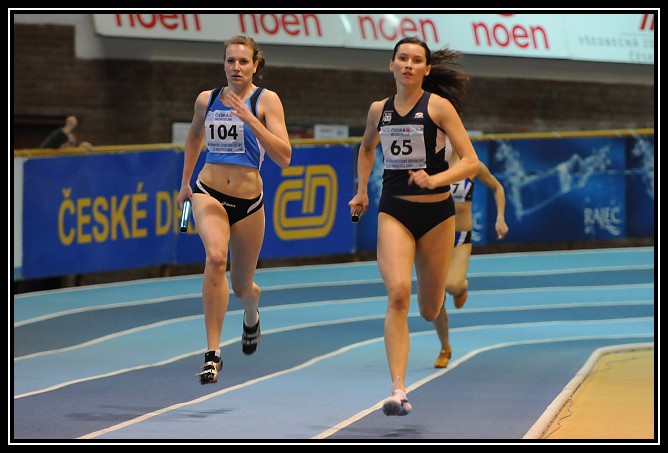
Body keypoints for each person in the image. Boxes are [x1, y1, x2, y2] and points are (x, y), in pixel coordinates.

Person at [348, 37, 479, 416]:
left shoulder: (439, 107)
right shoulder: (379, 110)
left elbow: (470, 161)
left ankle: (444, 295)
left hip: (437, 215)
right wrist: (362, 190)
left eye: (416, 60)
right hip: (395, 211)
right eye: (402, 58)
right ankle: (398, 390)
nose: (408, 64)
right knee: (398, 294)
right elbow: (367, 148)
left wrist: (436, 180)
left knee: (428, 309)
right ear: (391, 64)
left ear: (426, 69)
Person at [177, 35, 292, 385]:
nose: (236, 68)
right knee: (215, 258)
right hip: (208, 191)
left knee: (242, 286)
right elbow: (193, 137)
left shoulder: (266, 100)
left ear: (255, 65)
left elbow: (284, 157)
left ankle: (252, 310)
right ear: (223, 64)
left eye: (243, 61)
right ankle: (213, 354)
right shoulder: (207, 99)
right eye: (230, 61)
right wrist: (185, 183)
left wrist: (251, 120)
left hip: (249, 203)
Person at [432, 141, 509, 368]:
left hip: (460, 237)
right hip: (435, 238)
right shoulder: (433, 164)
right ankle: (445, 347)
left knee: (452, 285)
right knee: (436, 299)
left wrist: (500, 218)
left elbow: (497, 188)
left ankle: (461, 287)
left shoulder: (471, 165)